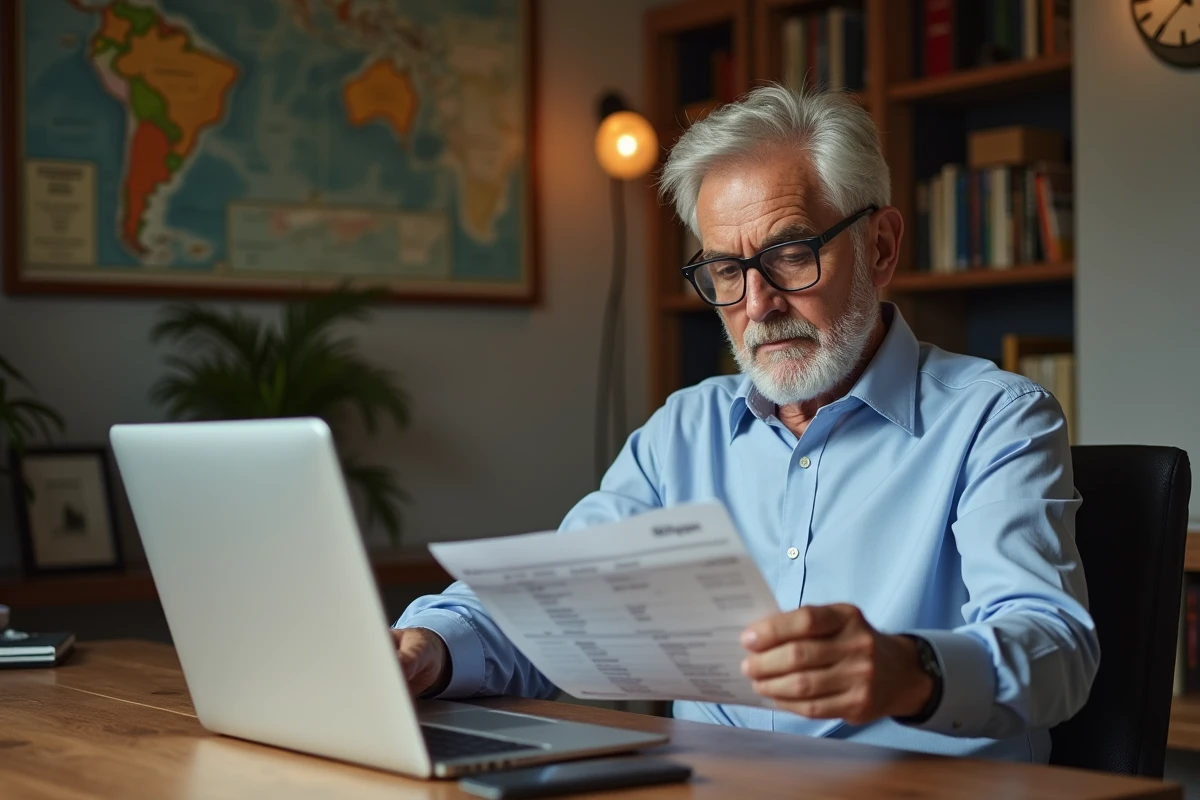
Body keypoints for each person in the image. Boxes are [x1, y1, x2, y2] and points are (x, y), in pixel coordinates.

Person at [390, 85, 1098, 763]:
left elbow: (1055, 647)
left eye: (791, 254)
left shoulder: (995, 419)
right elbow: (557, 602)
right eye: (726, 270)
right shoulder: (683, 432)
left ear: (880, 247)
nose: (757, 304)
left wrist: (909, 669)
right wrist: (433, 643)